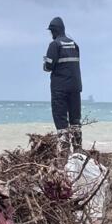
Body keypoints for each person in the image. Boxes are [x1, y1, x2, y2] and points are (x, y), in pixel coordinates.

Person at [43, 17, 82, 150]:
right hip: (75, 87)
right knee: (75, 120)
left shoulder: (54, 45)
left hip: (60, 88)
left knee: (61, 120)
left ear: (54, 31)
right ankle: (78, 149)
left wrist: (45, 63)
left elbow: (48, 66)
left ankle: (64, 150)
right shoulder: (74, 44)